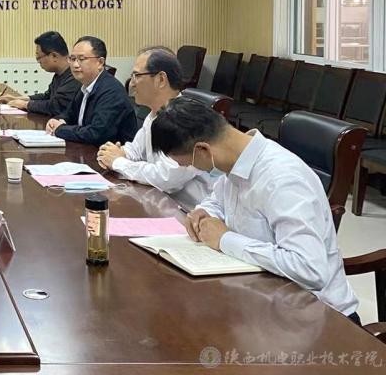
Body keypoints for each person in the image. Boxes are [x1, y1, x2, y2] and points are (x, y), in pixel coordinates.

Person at [151, 98, 360, 322]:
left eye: (188, 163)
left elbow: (309, 269)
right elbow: (217, 200)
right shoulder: (235, 160)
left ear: (203, 149)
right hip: (262, 297)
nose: (189, 168)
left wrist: (225, 240)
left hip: (317, 316)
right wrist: (204, 212)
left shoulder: (283, 179)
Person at [96, 47, 213, 209]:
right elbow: (136, 151)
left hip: (187, 210)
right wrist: (115, 152)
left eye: (137, 75)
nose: (132, 83)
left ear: (161, 79)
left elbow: (167, 178)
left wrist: (118, 162)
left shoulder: (186, 119)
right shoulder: (154, 115)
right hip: (156, 203)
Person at [44, 36, 137, 146]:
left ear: (100, 62)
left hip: (110, 153)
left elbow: (96, 134)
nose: (75, 65)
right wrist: (57, 121)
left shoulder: (111, 92)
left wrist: (60, 129)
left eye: (82, 59)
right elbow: (69, 114)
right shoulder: (84, 85)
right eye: (72, 59)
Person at [0, 31, 78, 116]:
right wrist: (16, 99)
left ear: (54, 56)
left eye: (39, 58)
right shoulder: (59, 74)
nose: (38, 62)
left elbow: (56, 106)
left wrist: (25, 104)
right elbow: (47, 97)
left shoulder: (74, 76)